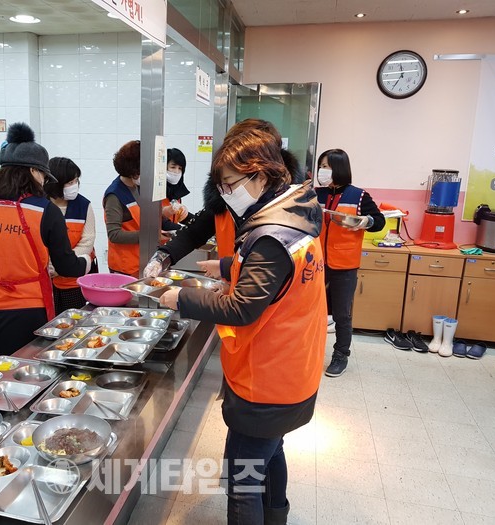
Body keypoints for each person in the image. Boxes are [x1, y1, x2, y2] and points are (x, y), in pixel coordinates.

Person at [158, 126, 326, 525]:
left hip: (267, 381)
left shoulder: (271, 234)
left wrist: (181, 298)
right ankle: (276, 517)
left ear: (261, 175)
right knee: (271, 452)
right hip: (293, 370)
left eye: (231, 183)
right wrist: (229, 267)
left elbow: (243, 308)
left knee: (242, 482)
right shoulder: (296, 213)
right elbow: (274, 280)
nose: (227, 192)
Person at [0, 123, 92, 369]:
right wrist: (86, 261)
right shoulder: (44, 210)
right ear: (33, 171)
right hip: (25, 312)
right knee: (24, 378)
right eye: (43, 176)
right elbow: (66, 266)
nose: (44, 182)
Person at [143, 119, 306, 277]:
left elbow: (266, 273)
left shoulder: (286, 214)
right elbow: (194, 232)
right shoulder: (226, 197)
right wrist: (162, 257)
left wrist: (224, 269)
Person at [316, 148, 385, 378]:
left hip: (345, 264)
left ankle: (340, 355)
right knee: (312, 310)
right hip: (317, 262)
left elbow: (379, 221)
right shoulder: (317, 194)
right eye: (321, 166)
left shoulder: (359, 196)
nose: (322, 171)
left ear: (339, 168)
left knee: (342, 315)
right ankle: (309, 351)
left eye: (326, 166)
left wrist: (367, 221)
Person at [103, 140, 168, 277]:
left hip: (143, 259)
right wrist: (148, 235)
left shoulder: (139, 187)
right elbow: (114, 234)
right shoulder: (114, 195)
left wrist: (162, 213)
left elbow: (142, 215)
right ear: (134, 171)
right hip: (124, 267)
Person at [43, 157, 97, 313]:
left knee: (76, 320)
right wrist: (49, 266)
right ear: (55, 183)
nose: (74, 186)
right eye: (69, 182)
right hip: (47, 279)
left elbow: (87, 242)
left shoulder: (84, 205)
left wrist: (62, 265)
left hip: (76, 280)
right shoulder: (41, 206)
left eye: (76, 181)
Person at [161, 147, 190, 230]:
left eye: (180, 168)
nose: (176, 172)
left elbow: (180, 216)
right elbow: (160, 221)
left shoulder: (177, 191)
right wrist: (185, 230)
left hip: (171, 237)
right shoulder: (156, 191)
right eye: (173, 167)